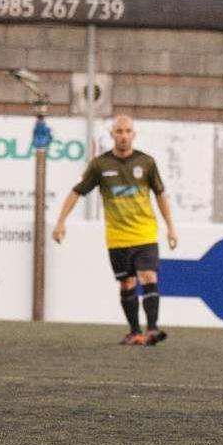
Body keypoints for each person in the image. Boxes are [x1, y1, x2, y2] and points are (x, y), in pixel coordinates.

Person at [53, 115, 178, 346]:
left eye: (128, 131)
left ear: (134, 134)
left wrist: (171, 227)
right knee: (127, 283)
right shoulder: (100, 165)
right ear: (112, 135)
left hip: (145, 232)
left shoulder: (147, 163)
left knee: (149, 275)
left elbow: (160, 194)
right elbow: (77, 191)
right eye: (119, 131)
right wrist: (61, 221)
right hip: (118, 237)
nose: (123, 135)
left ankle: (152, 329)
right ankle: (135, 332)